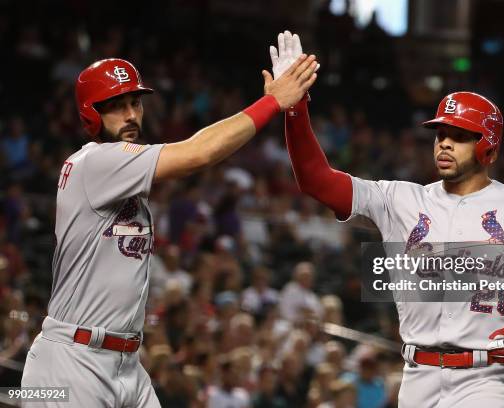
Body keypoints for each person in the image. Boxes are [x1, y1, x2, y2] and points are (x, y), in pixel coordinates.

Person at [271, 31, 504, 407]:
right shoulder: (399, 198)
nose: (444, 143)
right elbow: (315, 180)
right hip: (417, 377)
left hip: (489, 380)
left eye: (460, 136)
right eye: (440, 133)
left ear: (488, 149)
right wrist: (294, 108)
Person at [21, 54, 318, 407]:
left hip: (126, 361)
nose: (131, 114)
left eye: (135, 102)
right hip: (73, 361)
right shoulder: (95, 163)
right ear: (90, 113)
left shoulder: (123, 177)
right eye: (116, 106)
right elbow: (199, 153)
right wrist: (272, 102)